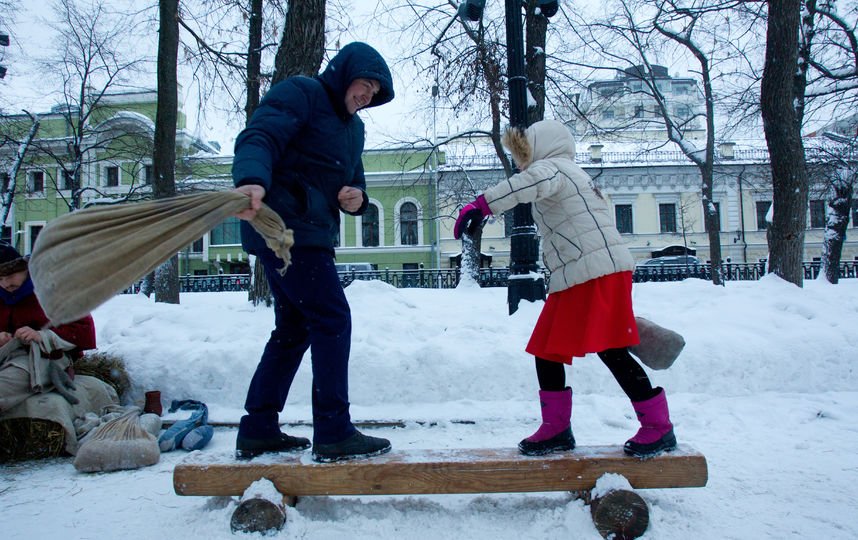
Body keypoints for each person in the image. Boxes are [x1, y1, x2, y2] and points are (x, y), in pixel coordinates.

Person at [453, 120, 678, 457]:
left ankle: (658, 427)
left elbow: (528, 183)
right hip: (588, 271)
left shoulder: (551, 169)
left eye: (523, 153)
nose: (521, 162)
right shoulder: (575, 174)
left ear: (540, 148)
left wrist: (481, 205)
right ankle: (556, 428)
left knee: (610, 348)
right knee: (548, 347)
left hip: (592, 272)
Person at [231, 42, 395, 462]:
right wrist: (250, 177)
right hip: (284, 229)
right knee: (331, 317)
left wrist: (357, 195)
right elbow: (260, 134)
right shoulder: (301, 93)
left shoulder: (354, 129)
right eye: (365, 84)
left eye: (375, 92)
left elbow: (354, 179)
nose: (368, 95)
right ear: (345, 73)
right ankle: (333, 430)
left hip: (313, 232)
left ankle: (259, 428)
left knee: (295, 329)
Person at [0, 243, 96, 412]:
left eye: (10, 275)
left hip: (42, 357)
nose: (5, 283)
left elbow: (82, 330)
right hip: (6, 355)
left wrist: (42, 336)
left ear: (25, 269)